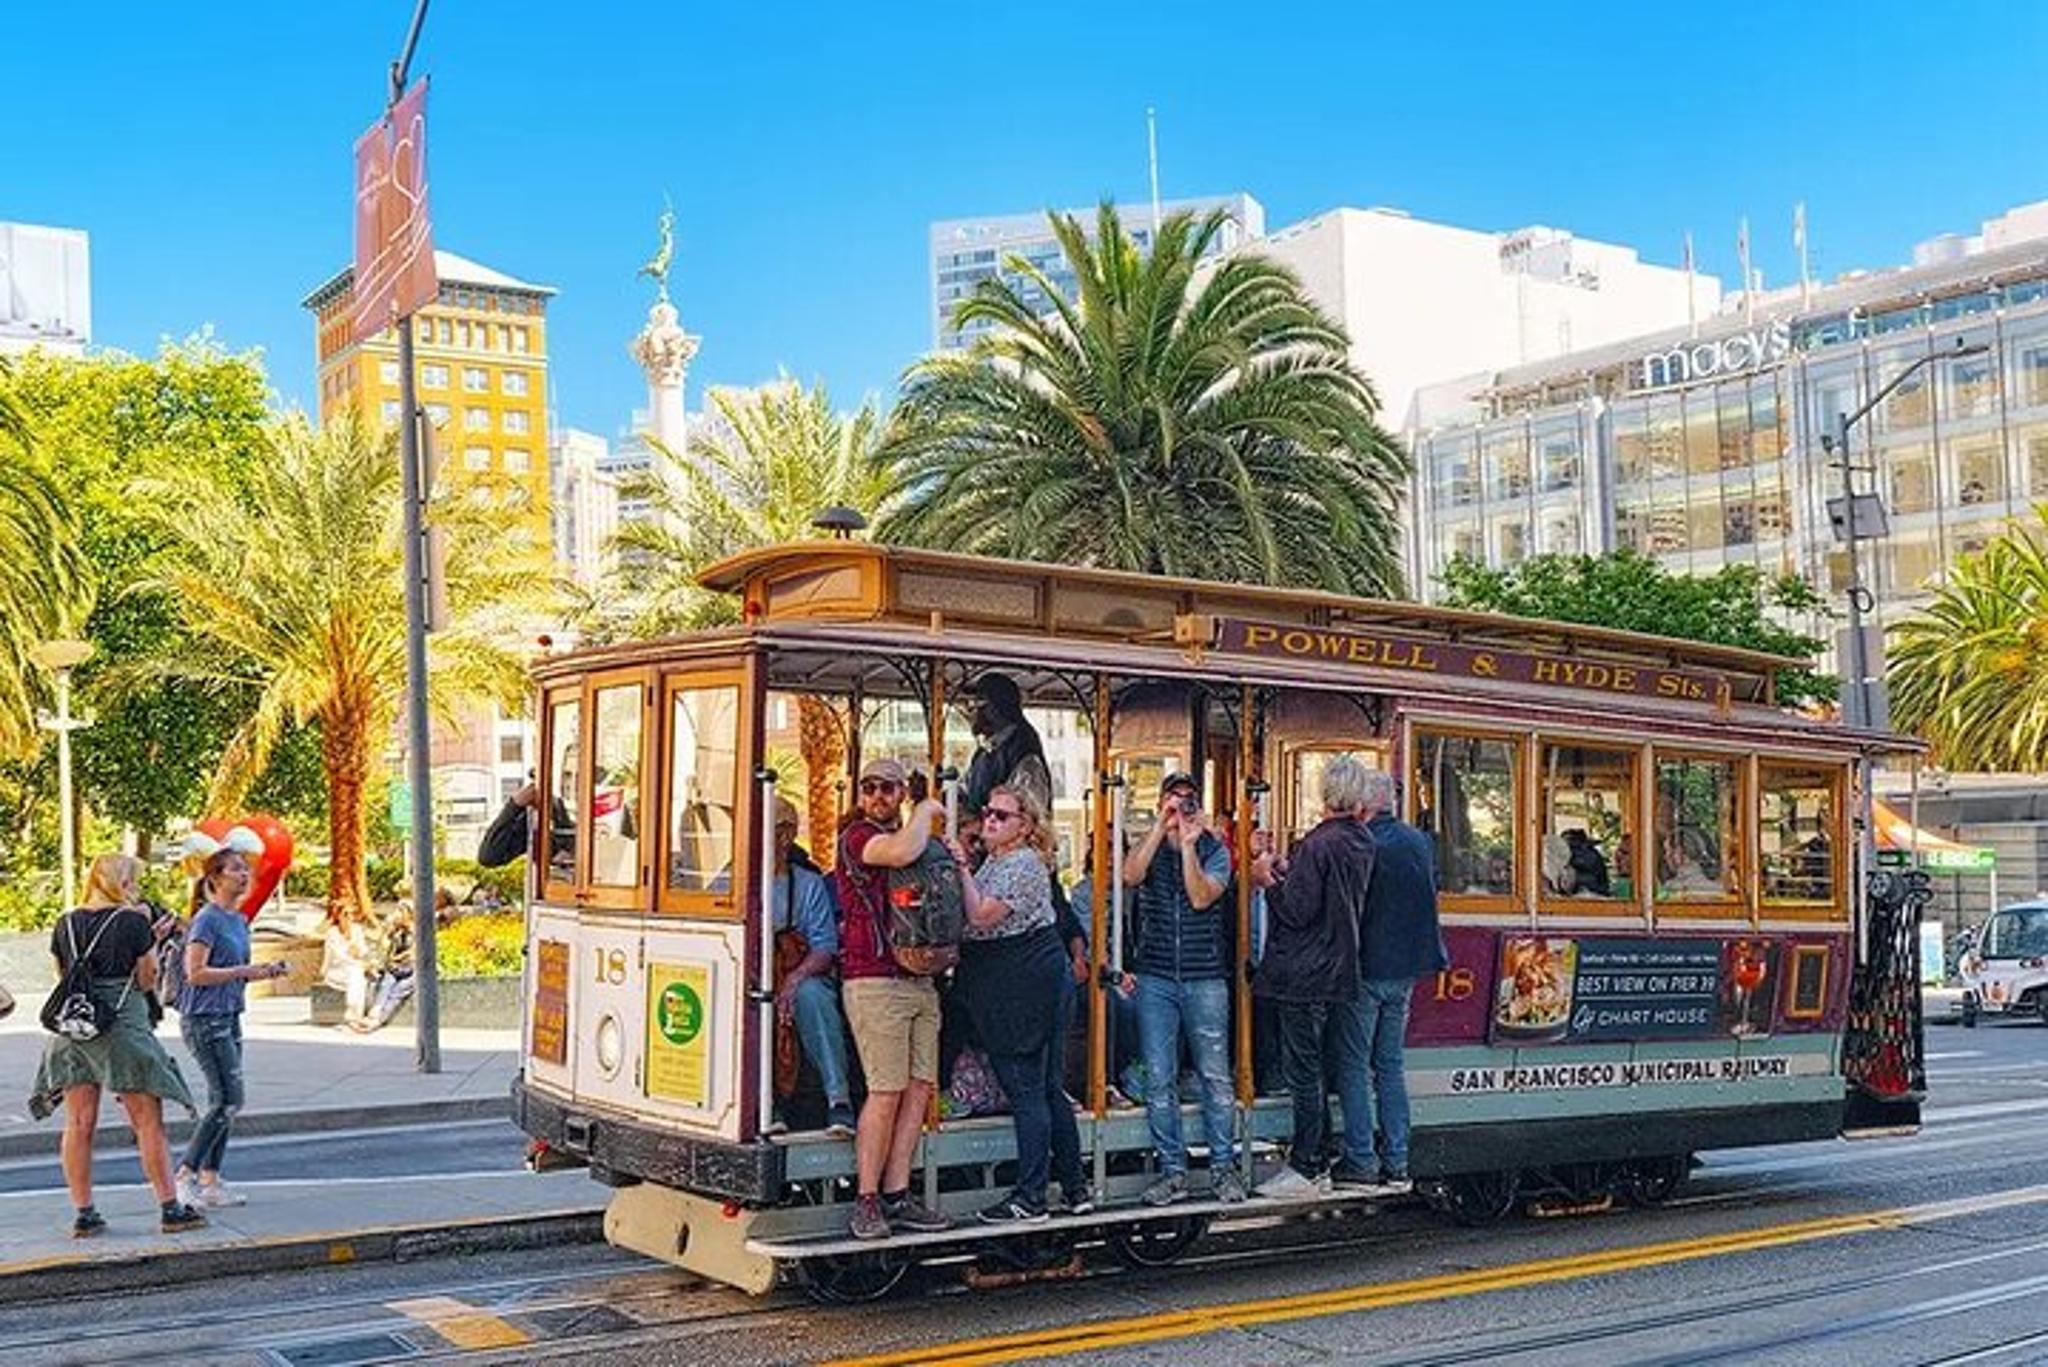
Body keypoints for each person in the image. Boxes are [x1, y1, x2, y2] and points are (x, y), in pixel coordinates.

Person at [28, 855, 207, 1237]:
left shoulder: (65, 922)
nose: (136, 890)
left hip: (72, 1030)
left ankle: (85, 1214)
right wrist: (151, 941)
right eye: (132, 882)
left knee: (78, 1124)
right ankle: (170, 1208)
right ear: (120, 884)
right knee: (146, 1121)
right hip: (121, 1027)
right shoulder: (132, 922)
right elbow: (146, 978)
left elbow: (66, 976)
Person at [950, 784, 1090, 1223]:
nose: (990, 820)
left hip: (1023, 985)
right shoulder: (998, 860)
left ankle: (1032, 1196)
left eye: (1002, 815)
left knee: (1027, 1089)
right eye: (988, 813)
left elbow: (981, 916)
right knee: (1046, 1088)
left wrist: (960, 867)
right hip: (1019, 980)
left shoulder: (1024, 864)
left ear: (1026, 826)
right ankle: (1074, 1188)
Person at [832, 757, 952, 1240]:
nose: (878, 796)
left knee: (919, 1088)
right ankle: (866, 1198)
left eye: (887, 788)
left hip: (918, 977)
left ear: (900, 792)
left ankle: (897, 1193)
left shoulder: (911, 837)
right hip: (874, 979)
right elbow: (901, 853)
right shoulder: (858, 837)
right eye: (870, 788)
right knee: (885, 1090)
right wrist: (925, 809)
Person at [1250, 757, 1378, 1198]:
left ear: (1325, 793)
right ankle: (1318, 1157)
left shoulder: (1317, 843)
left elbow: (1297, 910)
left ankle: (1308, 1163)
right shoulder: (1361, 841)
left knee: (1303, 1071)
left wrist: (1266, 880)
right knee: (1322, 1066)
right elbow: (1327, 897)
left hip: (1301, 972)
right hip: (1338, 967)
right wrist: (1288, 872)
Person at [1120, 771, 1244, 1206]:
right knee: (1159, 1078)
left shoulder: (1214, 851)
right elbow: (1129, 875)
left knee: (1215, 1076)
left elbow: (1200, 897)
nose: (1180, 808)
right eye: (1173, 800)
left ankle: (1223, 1168)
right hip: (1156, 975)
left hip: (1204, 975)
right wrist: (1160, 828)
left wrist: (1190, 845)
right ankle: (1172, 1171)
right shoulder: (1151, 846)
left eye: (1188, 800)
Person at [1348, 770, 1449, 1195]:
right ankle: (1398, 1159)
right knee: (1389, 1066)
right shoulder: (1417, 842)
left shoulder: (1363, 843)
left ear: (1364, 804)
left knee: (1355, 1065)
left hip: (1368, 969)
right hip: (1405, 971)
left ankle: (1360, 1158)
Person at [174, 846, 288, 1209]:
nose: (244, 875)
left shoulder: (238, 921)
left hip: (229, 1014)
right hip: (204, 1018)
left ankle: (211, 1179)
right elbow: (195, 973)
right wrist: (242, 972)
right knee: (228, 1100)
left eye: (245, 869)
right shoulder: (207, 920)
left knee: (224, 1102)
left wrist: (263, 972)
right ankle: (185, 1175)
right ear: (215, 878)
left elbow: (235, 971)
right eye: (236, 869)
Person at [766, 796, 855, 1137]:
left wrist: (794, 979)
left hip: (796, 969)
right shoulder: (732, 881)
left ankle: (838, 1100)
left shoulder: (807, 884)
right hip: (755, 974)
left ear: (786, 835)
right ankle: (763, 1102)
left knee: (812, 995)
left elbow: (824, 946)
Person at [960, 673, 1051, 819]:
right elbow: (966, 793)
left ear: (996, 707)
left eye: (978, 704)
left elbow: (1030, 812)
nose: (971, 711)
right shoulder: (984, 751)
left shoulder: (1023, 748)